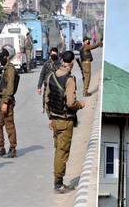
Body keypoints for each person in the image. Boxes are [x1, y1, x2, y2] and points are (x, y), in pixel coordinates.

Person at [45, 51, 85, 193]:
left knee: (58, 151)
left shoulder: (52, 76)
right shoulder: (70, 79)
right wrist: (80, 105)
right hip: (65, 120)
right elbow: (70, 103)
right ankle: (58, 183)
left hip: (55, 120)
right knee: (62, 152)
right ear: (72, 62)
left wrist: (50, 117)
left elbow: (47, 100)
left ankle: (58, 180)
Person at [0, 48, 18, 158]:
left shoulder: (10, 69)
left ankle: (12, 148)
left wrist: (6, 102)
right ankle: (1, 147)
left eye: (2, 57)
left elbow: (10, 86)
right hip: (1, 99)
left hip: (6, 100)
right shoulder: (4, 68)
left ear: (7, 57)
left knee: (9, 125)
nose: (1, 59)